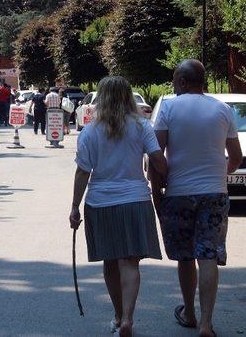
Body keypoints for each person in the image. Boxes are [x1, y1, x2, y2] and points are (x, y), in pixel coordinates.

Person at [69, 76, 168, 337]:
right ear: (127, 97)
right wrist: (169, 178)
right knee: (130, 263)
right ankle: (128, 318)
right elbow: (157, 158)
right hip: (135, 200)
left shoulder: (90, 131)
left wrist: (74, 207)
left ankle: (116, 314)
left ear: (101, 98)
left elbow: (82, 173)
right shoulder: (141, 126)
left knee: (110, 263)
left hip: (100, 203)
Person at [153, 60, 242, 337]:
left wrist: (157, 197)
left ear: (181, 81)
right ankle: (206, 324)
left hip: (178, 194)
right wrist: (219, 174)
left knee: (185, 256)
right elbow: (236, 157)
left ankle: (189, 313)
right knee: (208, 255)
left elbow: (155, 157)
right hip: (214, 194)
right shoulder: (222, 109)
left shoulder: (168, 107)